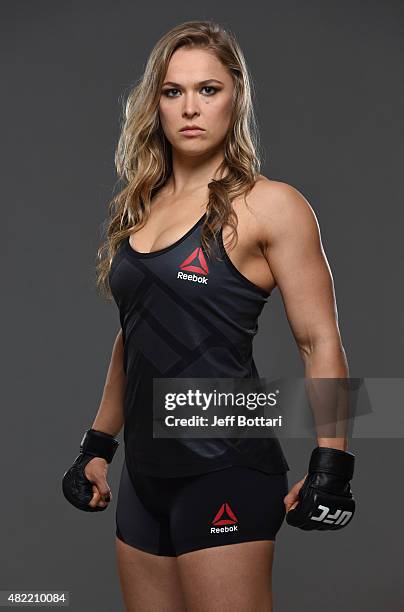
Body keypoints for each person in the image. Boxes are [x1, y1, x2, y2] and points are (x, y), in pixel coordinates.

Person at [62, 20, 355, 612]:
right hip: (144, 477)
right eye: (173, 92)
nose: (190, 108)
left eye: (208, 89)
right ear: (156, 104)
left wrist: (335, 459)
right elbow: (134, 336)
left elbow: (318, 339)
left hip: (225, 464)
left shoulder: (270, 205)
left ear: (237, 98)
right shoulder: (139, 208)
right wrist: (97, 444)